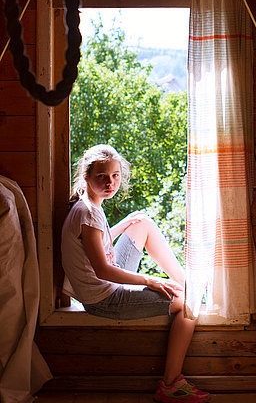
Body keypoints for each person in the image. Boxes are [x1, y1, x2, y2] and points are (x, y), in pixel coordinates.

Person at [61, 144, 210, 403]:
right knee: (188, 305)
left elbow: (97, 244)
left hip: (104, 283)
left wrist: (123, 224)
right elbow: (103, 270)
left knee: (142, 222)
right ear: (86, 177)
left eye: (115, 176)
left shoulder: (89, 205)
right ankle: (171, 384)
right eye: (102, 177)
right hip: (103, 298)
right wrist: (149, 281)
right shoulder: (88, 213)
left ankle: (189, 283)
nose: (110, 183)